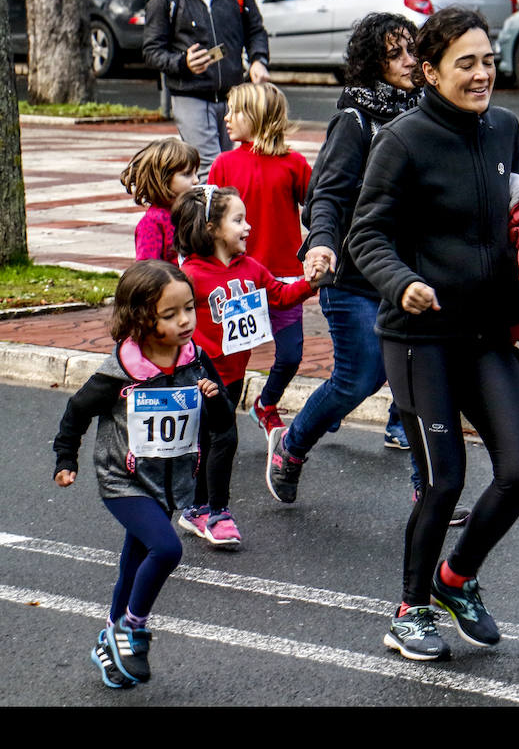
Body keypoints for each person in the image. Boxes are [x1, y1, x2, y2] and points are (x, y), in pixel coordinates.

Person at [348, 6, 519, 662]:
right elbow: (365, 233)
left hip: (485, 333)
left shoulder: (504, 130)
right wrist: (401, 281)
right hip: (418, 338)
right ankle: (410, 610)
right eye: (467, 63)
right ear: (430, 72)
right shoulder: (401, 140)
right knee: (444, 481)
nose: (484, 72)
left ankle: (455, 579)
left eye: (488, 60)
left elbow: (517, 213)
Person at [264, 11, 469, 526]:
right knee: (360, 379)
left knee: (419, 382)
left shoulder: (427, 114)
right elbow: (326, 194)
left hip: (405, 276)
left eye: (412, 50)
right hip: (353, 275)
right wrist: (322, 245)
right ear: (372, 64)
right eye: (395, 53)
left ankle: (429, 493)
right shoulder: (356, 120)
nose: (407, 61)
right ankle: (290, 445)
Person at [52, 260, 236, 688]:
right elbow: (76, 411)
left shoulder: (194, 360)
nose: (185, 321)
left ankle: (109, 638)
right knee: (167, 549)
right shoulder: (121, 370)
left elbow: (222, 421)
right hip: (124, 481)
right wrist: (66, 459)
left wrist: (214, 400)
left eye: (189, 309)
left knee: (133, 563)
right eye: (170, 315)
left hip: (171, 483)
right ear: (140, 318)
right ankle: (133, 626)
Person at [171, 185, 320, 548]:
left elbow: (280, 296)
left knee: (208, 441)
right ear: (211, 229)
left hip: (235, 374)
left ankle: (195, 508)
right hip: (201, 374)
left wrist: (311, 283)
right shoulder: (189, 275)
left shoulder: (251, 268)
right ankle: (218, 513)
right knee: (225, 436)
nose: (248, 227)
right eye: (238, 220)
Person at [208, 82, 312, 436]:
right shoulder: (223, 164)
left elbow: (317, 208)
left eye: (235, 110)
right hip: (238, 278)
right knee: (234, 357)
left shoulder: (294, 163)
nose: (226, 117)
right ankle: (218, 421)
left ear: (258, 116)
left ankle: (265, 403)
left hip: (283, 278)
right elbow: (208, 221)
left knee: (291, 353)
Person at [142, 0, 271, 181]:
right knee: (210, 169)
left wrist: (258, 60)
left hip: (232, 97)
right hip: (191, 95)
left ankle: (222, 219)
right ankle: (211, 221)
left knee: (227, 166)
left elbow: (255, 30)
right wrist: (183, 62)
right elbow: (151, 50)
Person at [120, 137, 200, 265]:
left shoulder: (191, 211)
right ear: (163, 179)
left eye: (196, 173)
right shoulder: (152, 223)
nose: (196, 180)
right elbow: (149, 270)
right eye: (187, 174)